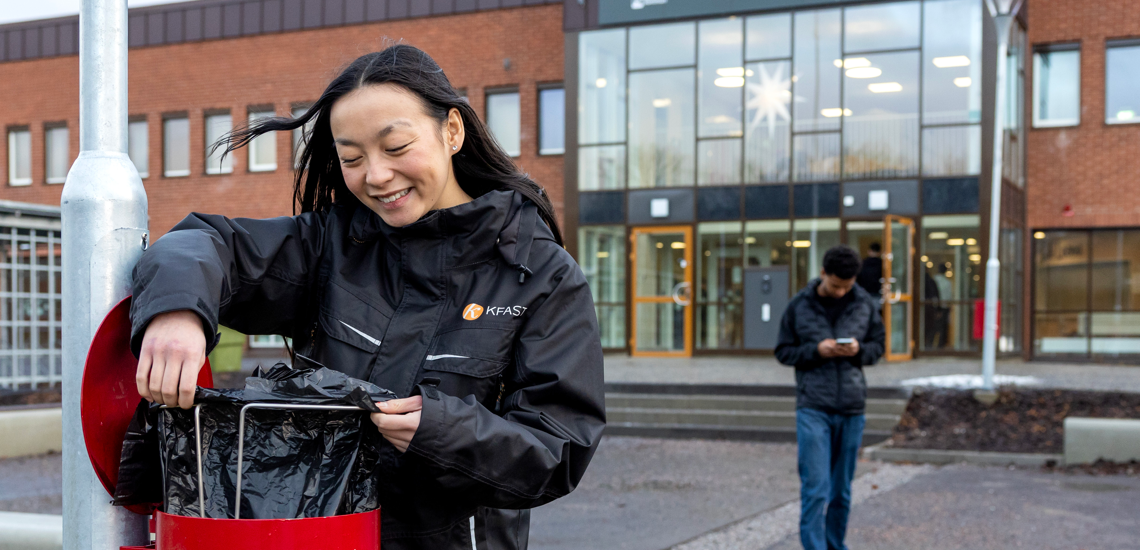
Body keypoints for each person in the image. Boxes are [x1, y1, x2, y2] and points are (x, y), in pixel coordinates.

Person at [129, 45, 606, 550]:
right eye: (352, 158)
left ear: (452, 132)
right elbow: (201, 242)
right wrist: (176, 310)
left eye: (396, 147)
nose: (375, 176)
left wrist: (440, 431)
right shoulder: (328, 248)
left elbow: (559, 450)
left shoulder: (542, 275)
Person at [774, 245, 886, 550]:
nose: (840, 292)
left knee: (841, 491)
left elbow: (878, 347)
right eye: (836, 285)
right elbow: (783, 352)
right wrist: (815, 351)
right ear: (823, 273)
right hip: (813, 406)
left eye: (847, 286)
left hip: (852, 407)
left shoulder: (864, 304)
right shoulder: (799, 306)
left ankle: (836, 545)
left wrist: (859, 351)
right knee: (816, 488)